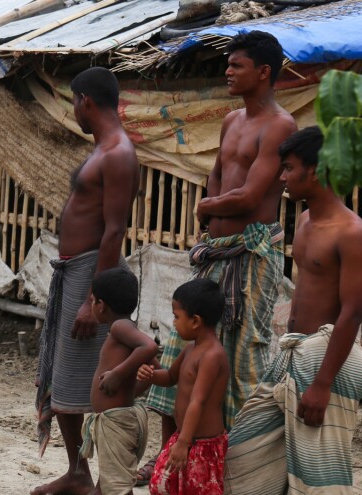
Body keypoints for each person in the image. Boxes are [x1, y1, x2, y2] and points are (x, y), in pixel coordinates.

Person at [140, 30, 297, 486]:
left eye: (237, 65)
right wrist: (209, 212)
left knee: (241, 360)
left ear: (263, 72)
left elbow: (249, 196)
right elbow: (215, 175)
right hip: (216, 253)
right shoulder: (232, 120)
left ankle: (237, 461)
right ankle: (170, 452)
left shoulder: (280, 125)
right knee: (182, 348)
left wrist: (207, 208)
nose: (227, 72)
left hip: (250, 255)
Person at [223, 126, 362, 495]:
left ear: (315, 171)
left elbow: (352, 312)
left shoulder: (351, 232)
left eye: (288, 168)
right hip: (291, 353)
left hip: (326, 359)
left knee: (319, 478)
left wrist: (323, 383)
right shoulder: (303, 222)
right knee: (243, 452)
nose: (281, 177)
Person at [33, 66, 140, 495]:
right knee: (64, 375)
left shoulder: (118, 153)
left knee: (89, 378)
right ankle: (78, 472)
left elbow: (114, 229)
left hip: (91, 274)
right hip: (74, 271)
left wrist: (93, 298)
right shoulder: (103, 149)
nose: (73, 111)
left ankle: (101, 479)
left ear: (85, 101)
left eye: (73, 103)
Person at [138, 278, 229, 495]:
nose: (174, 322)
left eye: (176, 317)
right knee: (162, 485)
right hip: (184, 437)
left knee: (194, 489)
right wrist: (151, 375)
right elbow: (170, 377)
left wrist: (184, 441)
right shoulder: (190, 349)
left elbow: (198, 400)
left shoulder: (212, 355)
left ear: (195, 321)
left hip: (202, 444)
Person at [80, 268, 157, 495]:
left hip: (117, 425)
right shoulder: (125, 330)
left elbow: (150, 347)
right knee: (109, 485)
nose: (92, 305)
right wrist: (133, 386)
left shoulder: (119, 327)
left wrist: (118, 374)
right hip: (116, 421)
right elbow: (155, 370)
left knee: (117, 488)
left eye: (92, 301)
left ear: (101, 305)